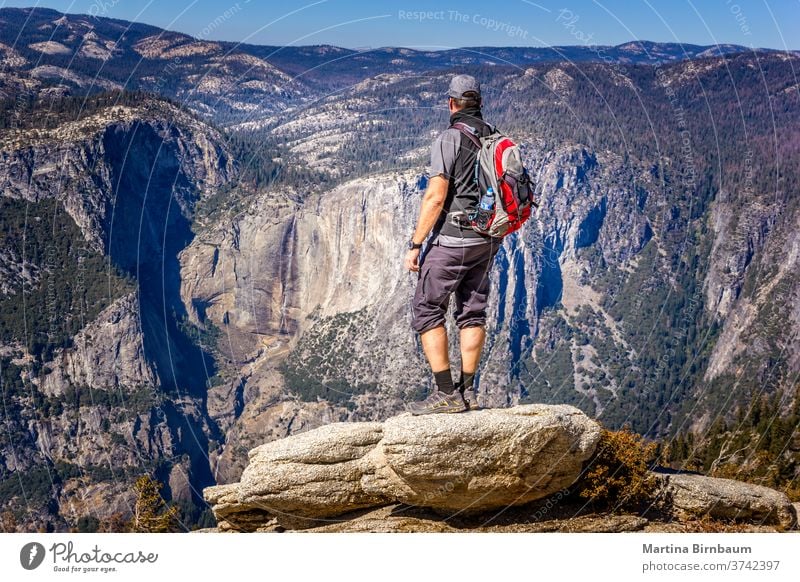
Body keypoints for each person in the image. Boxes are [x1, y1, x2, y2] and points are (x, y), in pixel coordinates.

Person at [404, 74, 503, 415]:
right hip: (488, 240)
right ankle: (469, 391)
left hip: (453, 239)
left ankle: (446, 393)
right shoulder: (493, 137)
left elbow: (435, 197)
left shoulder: (449, 139)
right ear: (478, 103)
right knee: (472, 312)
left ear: (451, 103)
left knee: (428, 308)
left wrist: (416, 244)